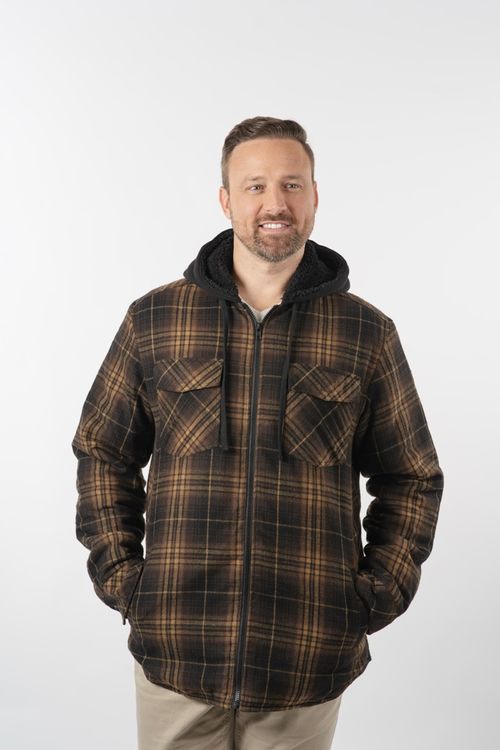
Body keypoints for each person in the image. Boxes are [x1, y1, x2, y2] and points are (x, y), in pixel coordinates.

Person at [72, 116, 444, 750]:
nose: (276, 203)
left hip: (307, 657)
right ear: (226, 200)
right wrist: (126, 581)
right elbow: (103, 452)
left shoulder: (365, 332)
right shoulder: (155, 319)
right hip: (176, 652)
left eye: (292, 184)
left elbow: (411, 475)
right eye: (255, 186)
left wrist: (375, 595)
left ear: (315, 196)